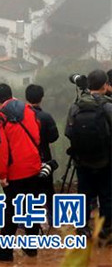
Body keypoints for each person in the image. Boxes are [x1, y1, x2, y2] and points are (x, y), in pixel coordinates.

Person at [0, 83, 41, 262]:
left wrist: (2, 175)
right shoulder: (28, 109)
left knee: (10, 211)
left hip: (15, 172)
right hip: (33, 166)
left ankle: (5, 252)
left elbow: (0, 149)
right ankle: (31, 247)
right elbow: (37, 135)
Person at [65, 69, 112, 241]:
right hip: (105, 160)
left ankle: (82, 228)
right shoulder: (107, 106)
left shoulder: (75, 106)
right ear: (105, 85)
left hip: (82, 160)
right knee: (106, 194)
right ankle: (106, 229)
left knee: (83, 193)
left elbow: (68, 132)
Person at [25, 84, 59, 224]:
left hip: (26, 159)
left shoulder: (21, 117)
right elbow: (54, 137)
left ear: (26, 97)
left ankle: (29, 220)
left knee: (28, 190)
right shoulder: (46, 117)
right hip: (44, 157)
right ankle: (53, 219)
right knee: (48, 189)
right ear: (41, 98)